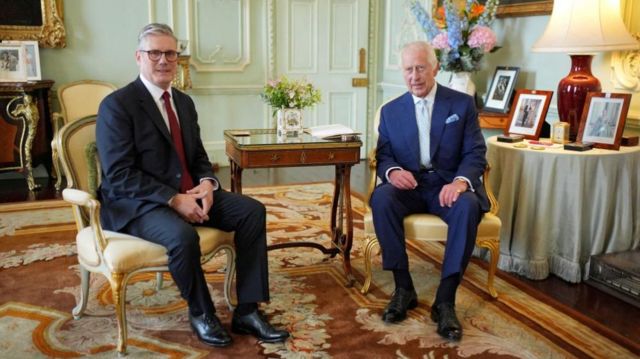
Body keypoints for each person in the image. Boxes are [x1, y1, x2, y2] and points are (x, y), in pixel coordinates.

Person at [96, 23, 289, 348]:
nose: (163, 60)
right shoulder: (118, 105)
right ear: (138, 57)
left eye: (170, 53)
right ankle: (202, 313)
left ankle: (247, 310)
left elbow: (198, 156)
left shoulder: (183, 103)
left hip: (187, 193)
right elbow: (118, 174)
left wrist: (207, 185)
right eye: (155, 53)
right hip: (139, 202)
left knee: (251, 211)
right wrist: (174, 199)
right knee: (182, 237)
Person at [370, 41, 489, 341]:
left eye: (421, 68)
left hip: (447, 185)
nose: (415, 76)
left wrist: (461, 182)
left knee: (468, 206)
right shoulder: (390, 111)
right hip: (409, 185)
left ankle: (445, 300)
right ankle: (403, 288)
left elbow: (475, 152)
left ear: (435, 68)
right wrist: (393, 172)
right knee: (382, 197)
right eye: (408, 70)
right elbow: (383, 155)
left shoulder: (461, 105)